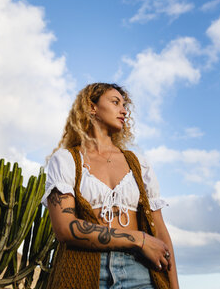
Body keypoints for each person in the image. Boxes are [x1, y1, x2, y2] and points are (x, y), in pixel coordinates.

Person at [42, 83, 179, 289]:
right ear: (92, 107)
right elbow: (64, 228)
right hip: (82, 270)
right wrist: (137, 239)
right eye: (115, 102)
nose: (124, 110)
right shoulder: (67, 160)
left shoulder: (138, 163)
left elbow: (160, 233)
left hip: (140, 271)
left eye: (125, 105)